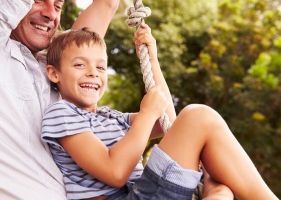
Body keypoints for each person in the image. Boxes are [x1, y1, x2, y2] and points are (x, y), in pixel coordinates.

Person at [42, 25, 278, 200]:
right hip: (132, 196)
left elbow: (171, 125)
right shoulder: (62, 113)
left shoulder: (110, 116)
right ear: (54, 74)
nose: (93, 72)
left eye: (100, 66)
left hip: (145, 193)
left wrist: (152, 60)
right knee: (199, 117)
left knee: (220, 187)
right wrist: (145, 115)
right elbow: (115, 173)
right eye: (80, 64)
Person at [0, 0, 119, 199]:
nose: (50, 14)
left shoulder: (54, 70)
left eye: (57, 6)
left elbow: (106, 4)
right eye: (37, 1)